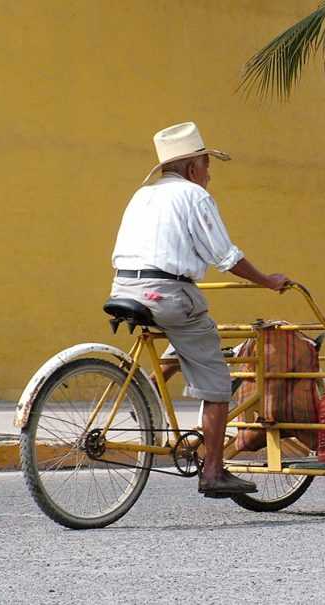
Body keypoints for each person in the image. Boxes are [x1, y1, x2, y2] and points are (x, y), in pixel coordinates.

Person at [110, 121, 290, 497]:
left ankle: (149, 394)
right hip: (168, 292)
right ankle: (213, 471)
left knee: (189, 329)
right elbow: (226, 256)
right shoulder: (195, 197)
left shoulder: (142, 195)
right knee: (218, 380)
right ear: (193, 168)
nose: (209, 176)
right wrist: (266, 281)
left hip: (126, 286)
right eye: (207, 166)